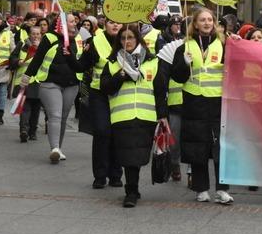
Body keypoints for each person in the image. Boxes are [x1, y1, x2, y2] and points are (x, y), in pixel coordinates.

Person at [165, 7, 234, 204]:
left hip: (217, 101)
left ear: (214, 23)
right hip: (194, 101)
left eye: (209, 20)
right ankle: (201, 189)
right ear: (195, 24)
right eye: (202, 20)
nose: (206, 23)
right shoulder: (184, 47)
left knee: (221, 145)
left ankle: (222, 190)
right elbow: (177, 77)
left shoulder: (224, 44)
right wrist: (183, 64)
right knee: (198, 146)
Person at [100, 23, 169, 208]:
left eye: (130, 37)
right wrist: (120, 77)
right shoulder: (113, 62)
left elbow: (160, 90)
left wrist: (163, 116)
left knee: (138, 156)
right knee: (128, 156)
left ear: (137, 39)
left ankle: (133, 188)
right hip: (122, 116)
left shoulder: (152, 61)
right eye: (123, 38)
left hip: (146, 116)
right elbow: (104, 87)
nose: (127, 41)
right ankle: (131, 191)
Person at [66, 19, 124, 188]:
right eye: (111, 22)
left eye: (118, 23)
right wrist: (68, 55)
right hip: (99, 93)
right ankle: (100, 175)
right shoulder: (95, 42)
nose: (115, 25)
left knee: (117, 133)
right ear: (104, 24)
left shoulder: (128, 41)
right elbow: (80, 66)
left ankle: (115, 175)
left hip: (121, 94)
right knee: (101, 131)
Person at [22, 13, 79, 164]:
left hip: (72, 84)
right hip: (50, 82)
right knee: (55, 115)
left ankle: (58, 148)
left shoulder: (79, 39)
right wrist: (27, 76)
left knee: (63, 117)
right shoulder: (49, 38)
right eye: (72, 21)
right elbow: (38, 59)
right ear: (63, 24)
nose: (75, 23)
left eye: (75, 21)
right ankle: (54, 148)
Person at [159, 14, 185, 182]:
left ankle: (191, 172)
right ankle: (174, 164)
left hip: (194, 102)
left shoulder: (196, 47)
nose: (177, 27)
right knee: (174, 139)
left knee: (193, 141)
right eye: (174, 24)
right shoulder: (166, 42)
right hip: (175, 102)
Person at [10, 25, 42, 142]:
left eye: (38, 34)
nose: (35, 36)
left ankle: (32, 132)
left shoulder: (44, 46)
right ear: (29, 34)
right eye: (33, 34)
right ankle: (24, 130)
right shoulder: (22, 45)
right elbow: (12, 58)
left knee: (36, 109)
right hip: (24, 82)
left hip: (38, 82)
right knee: (25, 107)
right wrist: (17, 61)